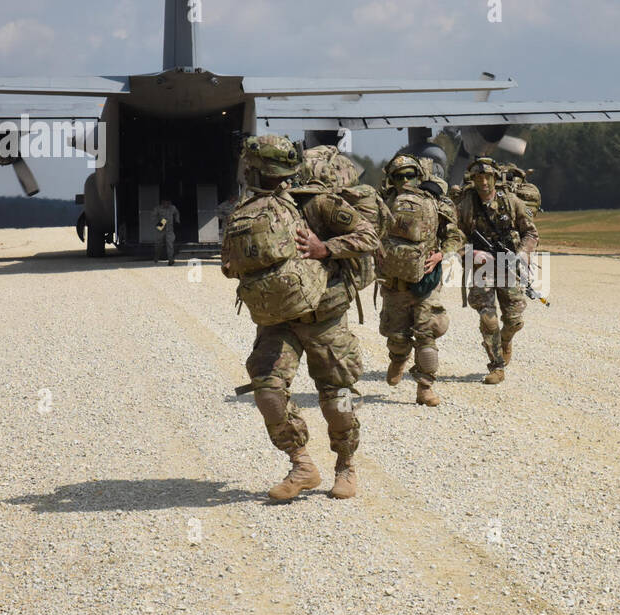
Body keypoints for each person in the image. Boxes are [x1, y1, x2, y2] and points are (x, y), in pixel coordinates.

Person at [221, 135, 379, 501]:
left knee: (337, 398)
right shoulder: (247, 211)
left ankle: (345, 465)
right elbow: (229, 266)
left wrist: (325, 248)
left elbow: (368, 236)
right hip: (278, 319)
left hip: (325, 314)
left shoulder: (318, 202)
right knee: (268, 390)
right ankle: (302, 465)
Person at [376, 152, 463, 406]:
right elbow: (367, 232)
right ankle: (398, 358)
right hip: (394, 284)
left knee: (426, 335)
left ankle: (425, 386)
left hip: (425, 282)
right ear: (391, 179)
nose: (405, 180)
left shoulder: (436, 202)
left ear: (419, 175)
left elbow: (455, 237)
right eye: (399, 176)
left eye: (410, 175)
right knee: (397, 337)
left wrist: (440, 255)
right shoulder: (383, 203)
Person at [453, 156, 538, 384]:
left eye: (487, 176)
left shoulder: (511, 202)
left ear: (494, 178)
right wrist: (470, 254)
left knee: (515, 321)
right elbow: (453, 237)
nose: (483, 181)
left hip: (509, 265)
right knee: (488, 319)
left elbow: (531, 232)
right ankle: (497, 366)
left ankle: (505, 339)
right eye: (478, 177)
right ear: (473, 179)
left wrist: (522, 254)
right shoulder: (466, 206)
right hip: (483, 268)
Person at [152, 196, 180, 264]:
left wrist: (177, 219)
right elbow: (153, 217)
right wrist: (160, 223)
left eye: (168, 203)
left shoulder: (172, 208)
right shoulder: (157, 208)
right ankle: (156, 257)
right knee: (158, 245)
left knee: (170, 244)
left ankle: (171, 260)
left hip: (169, 229)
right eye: (165, 203)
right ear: (162, 203)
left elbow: (177, 213)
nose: (167, 205)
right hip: (160, 229)